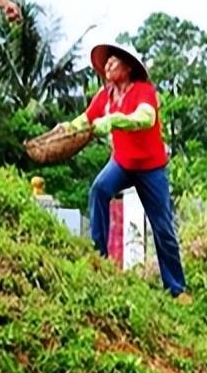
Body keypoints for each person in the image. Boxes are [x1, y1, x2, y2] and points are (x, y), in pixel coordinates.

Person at [62, 44, 189, 302]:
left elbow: (146, 118)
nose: (108, 65)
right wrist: (67, 128)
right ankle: (99, 260)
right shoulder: (104, 96)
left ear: (129, 67)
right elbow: (85, 120)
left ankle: (176, 289)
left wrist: (114, 119)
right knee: (99, 189)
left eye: (114, 61)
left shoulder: (144, 91)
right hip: (121, 162)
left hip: (151, 167)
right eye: (106, 61)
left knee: (162, 225)